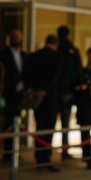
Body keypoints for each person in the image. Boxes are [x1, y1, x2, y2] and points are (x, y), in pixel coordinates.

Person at [23, 34, 62, 171]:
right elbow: (55, 78)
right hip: (50, 98)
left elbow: (27, 74)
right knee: (48, 129)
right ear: (56, 44)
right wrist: (44, 90)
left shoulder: (34, 55)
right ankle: (45, 158)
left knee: (40, 127)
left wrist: (33, 90)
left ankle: (39, 158)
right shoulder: (56, 57)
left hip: (36, 97)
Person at [0, 29, 27, 160]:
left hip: (20, 92)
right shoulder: (3, 54)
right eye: (14, 37)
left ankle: (15, 150)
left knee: (17, 121)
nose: (16, 40)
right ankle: (8, 151)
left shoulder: (24, 55)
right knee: (9, 121)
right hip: (9, 91)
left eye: (18, 37)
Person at [56, 26, 83, 156]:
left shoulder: (58, 50)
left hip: (57, 91)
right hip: (69, 91)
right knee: (65, 121)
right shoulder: (72, 51)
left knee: (51, 122)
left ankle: (46, 153)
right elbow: (79, 70)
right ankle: (65, 149)